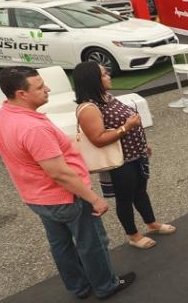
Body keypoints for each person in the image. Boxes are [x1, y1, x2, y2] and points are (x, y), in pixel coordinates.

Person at [0, 67, 135, 300]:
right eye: (39, 87)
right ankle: (106, 285)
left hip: (36, 197)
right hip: (66, 197)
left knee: (61, 245)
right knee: (92, 243)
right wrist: (93, 198)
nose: (47, 89)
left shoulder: (1, 116)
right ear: (21, 94)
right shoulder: (33, 128)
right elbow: (59, 173)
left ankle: (79, 287)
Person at [73, 61, 174, 250]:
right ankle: (133, 235)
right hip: (119, 162)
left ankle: (151, 223)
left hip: (135, 155)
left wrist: (143, 144)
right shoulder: (89, 108)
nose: (108, 76)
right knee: (125, 198)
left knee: (140, 192)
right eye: (103, 75)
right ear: (92, 80)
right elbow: (98, 139)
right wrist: (127, 127)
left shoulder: (106, 97)